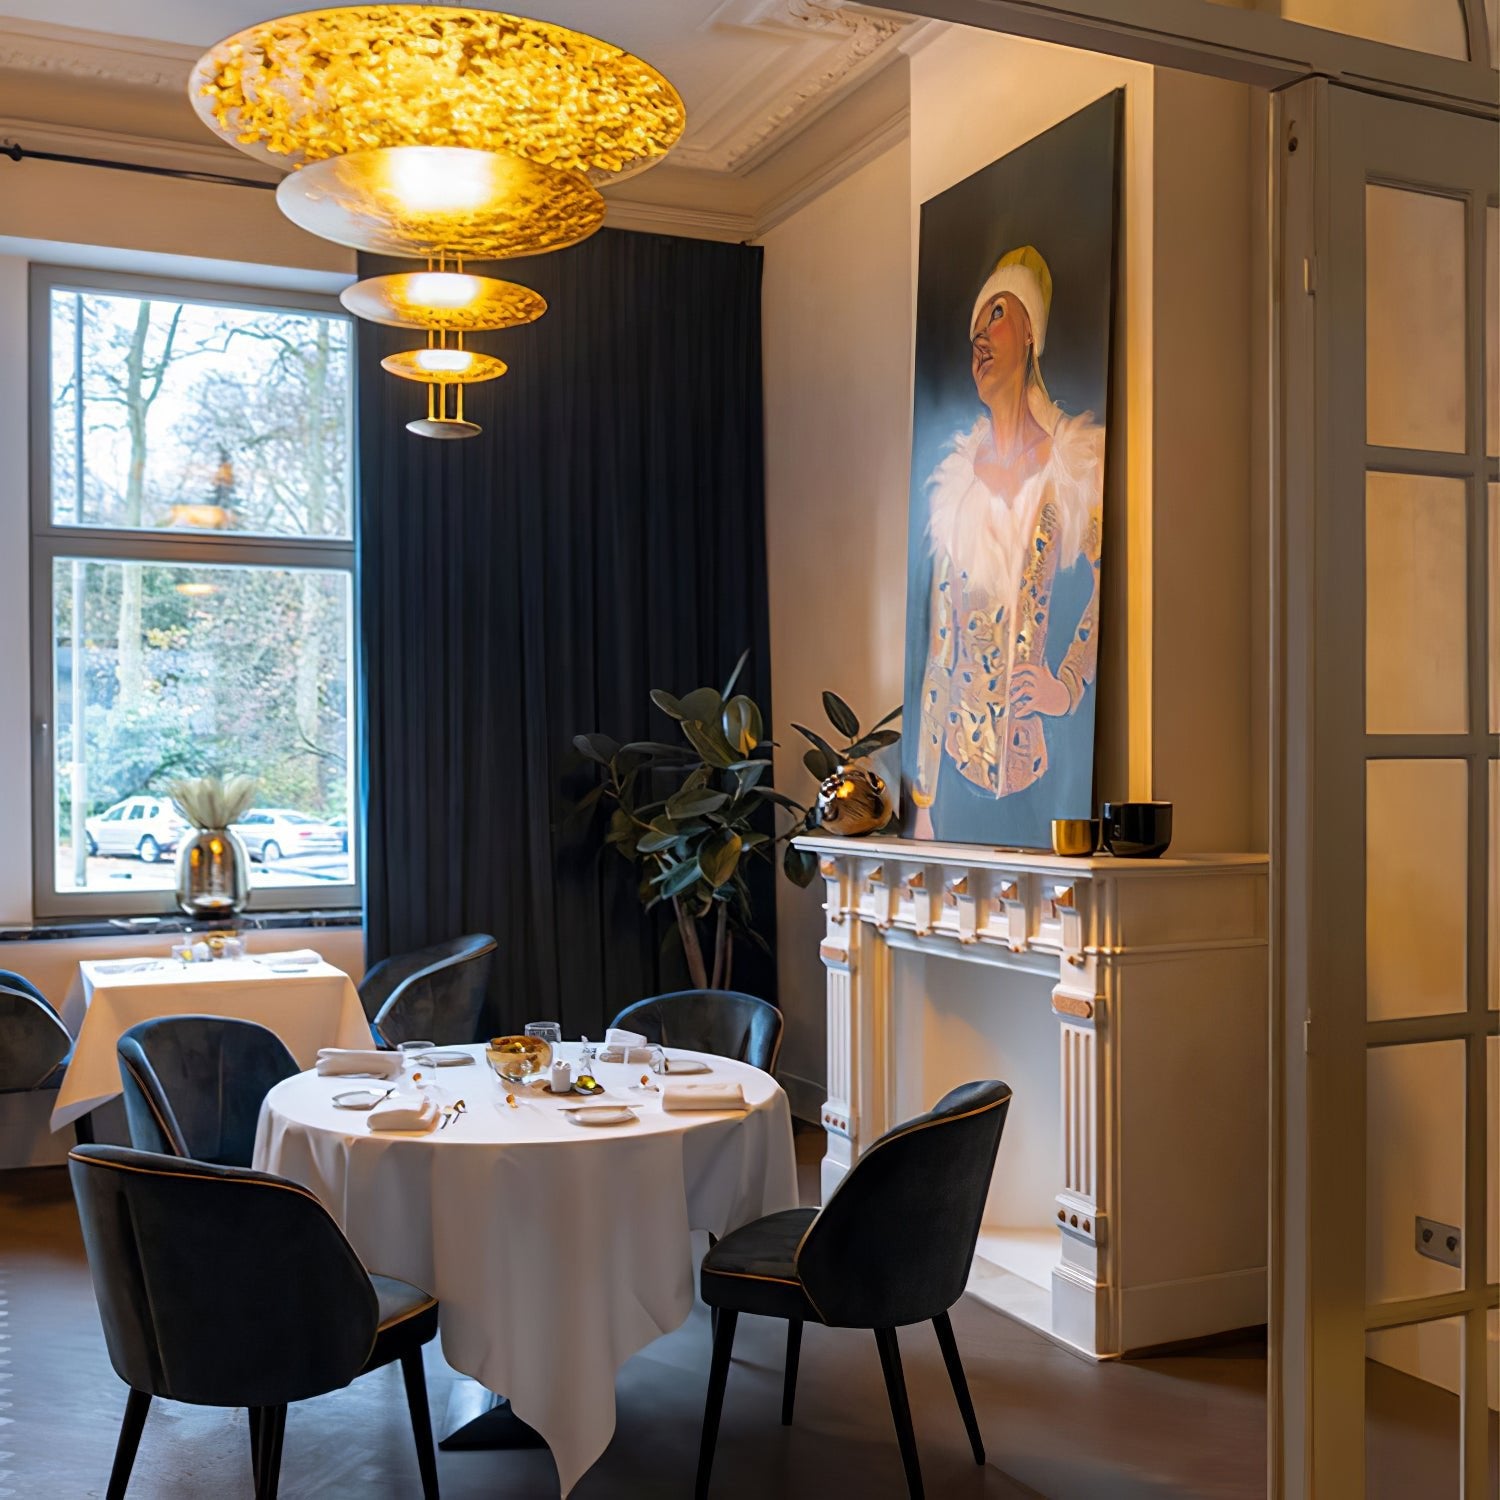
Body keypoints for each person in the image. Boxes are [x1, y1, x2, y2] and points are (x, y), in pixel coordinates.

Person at [911, 245, 1104, 845]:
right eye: (975, 326)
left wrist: (1065, 687)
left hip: (1036, 782)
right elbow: (940, 651)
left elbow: (1108, 589)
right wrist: (922, 802)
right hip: (955, 785)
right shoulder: (957, 490)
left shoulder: (1071, 468)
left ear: (1030, 334)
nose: (980, 338)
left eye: (996, 314)